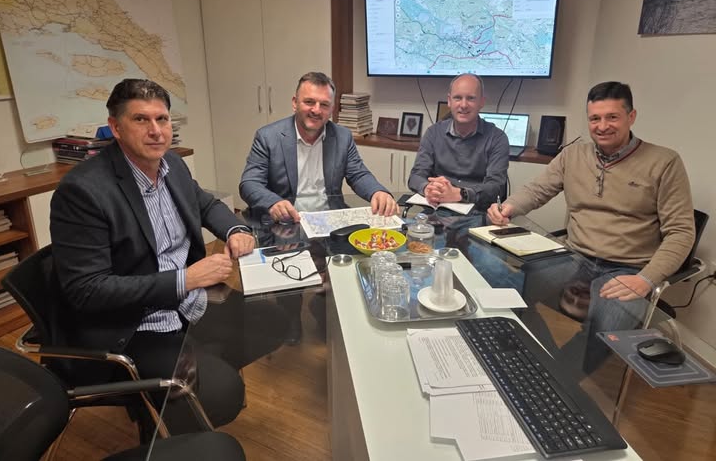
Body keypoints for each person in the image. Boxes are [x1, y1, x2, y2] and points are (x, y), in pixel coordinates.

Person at [50, 78, 287, 433]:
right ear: (115, 127)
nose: (156, 131)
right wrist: (186, 279)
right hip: (133, 324)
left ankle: (180, 388)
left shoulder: (172, 165)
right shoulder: (83, 191)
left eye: (162, 119)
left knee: (274, 322)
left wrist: (236, 230)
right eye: (141, 119)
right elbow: (87, 290)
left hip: (188, 303)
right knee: (223, 393)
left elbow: (205, 203)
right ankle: (167, 410)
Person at [487, 81, 695, 373]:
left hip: (626, 269)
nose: (602, 126)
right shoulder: (573, 155)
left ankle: (561, 379)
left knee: (605, 328)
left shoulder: (664, 162)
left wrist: (646, 279)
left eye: (612, 117)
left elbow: (681, 232)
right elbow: (537, 190)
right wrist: (508, 207)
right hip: (574, 258)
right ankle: (537, 360)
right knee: (505, 283)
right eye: (595, 118)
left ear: (631, 117)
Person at [239, 71, 398, 222]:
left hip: (330, 220)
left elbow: (358, 174)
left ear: (332, 109)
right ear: (295, 103)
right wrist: (273, 203)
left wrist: (377, 192)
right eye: (309, 102)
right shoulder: (268, 137)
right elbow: (250, 183)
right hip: (286, 222)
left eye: (324, 104)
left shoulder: (342, 137)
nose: (316, 110)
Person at [408, 73, 509, 211]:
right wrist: (428, 188)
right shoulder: (433, 133)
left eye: (471, 98)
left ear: (481, 102)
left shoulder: (497, 138)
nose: (463, 105)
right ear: (449, 101)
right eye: (458, 98)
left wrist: (461, 194)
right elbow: (416, 176)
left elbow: (496, 188)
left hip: (477, 212)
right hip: (436, 211)